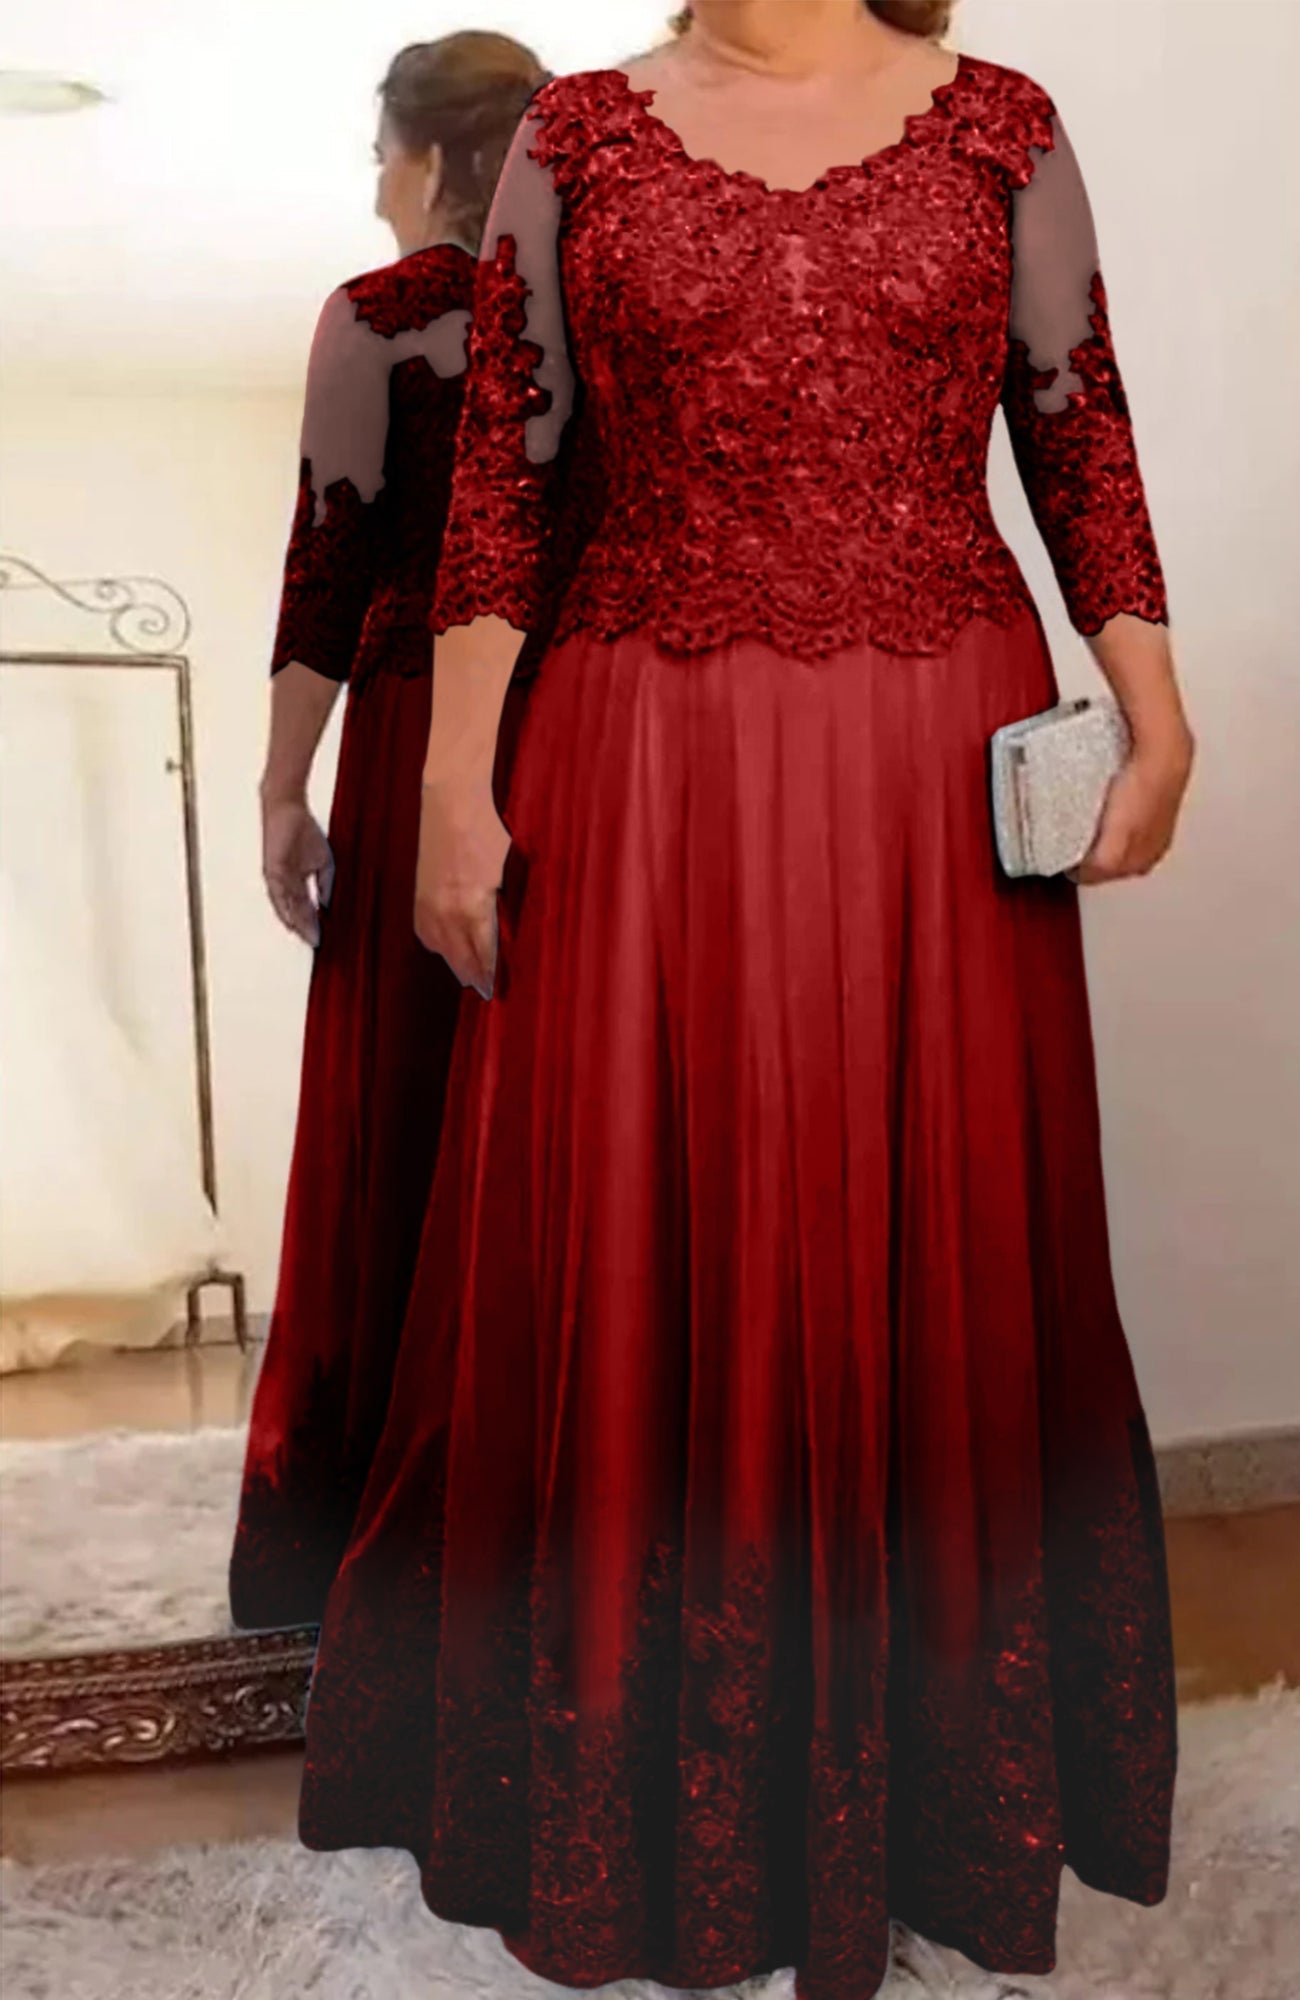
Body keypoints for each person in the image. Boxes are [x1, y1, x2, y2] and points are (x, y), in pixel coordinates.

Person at [298, 2, 1193, 1993]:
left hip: (930, 752)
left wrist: (1157, 702)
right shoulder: (582, 136)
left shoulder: (1001, 123)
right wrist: (452, 786)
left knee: (937, 1230)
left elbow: (1080, 425)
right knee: (631, 1226)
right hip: (639, 749)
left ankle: (935, 1801)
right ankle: (638, 1807)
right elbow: (505, 480)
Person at [227, 30, 550, 1631]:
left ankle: (366, 1515)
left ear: (425, 159)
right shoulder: (589, 319)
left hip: (424, 725)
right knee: (550, 1103)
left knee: (402, 1088)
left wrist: (280, 787)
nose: (372, 187)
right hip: (578, 742)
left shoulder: (379, 317)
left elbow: (327, 563)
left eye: (379, 156)